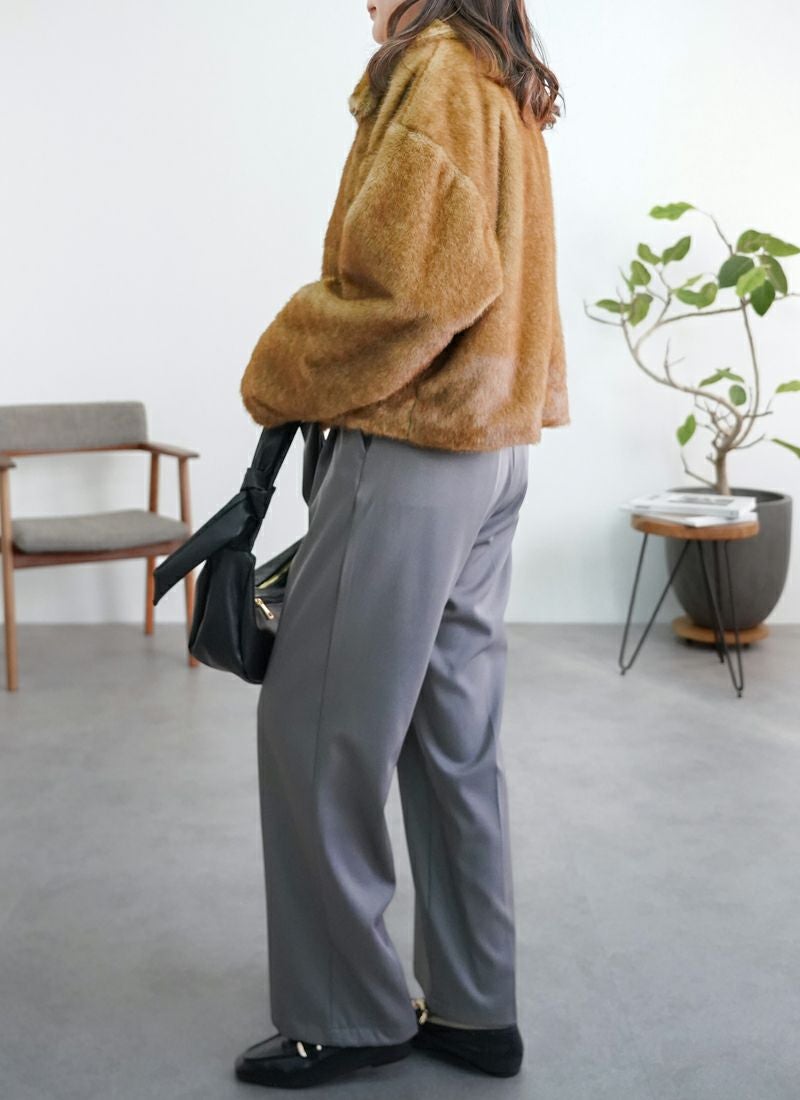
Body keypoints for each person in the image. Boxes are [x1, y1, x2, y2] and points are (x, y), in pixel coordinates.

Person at [235, 0, 569, 1089]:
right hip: (492, 448)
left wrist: (279, 366)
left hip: (416, 447)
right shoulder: (502, 72)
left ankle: (350, 1014)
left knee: (315, 728)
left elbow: (413, 289)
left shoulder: (435, 71)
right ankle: (474, 1006)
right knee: (452, 739)